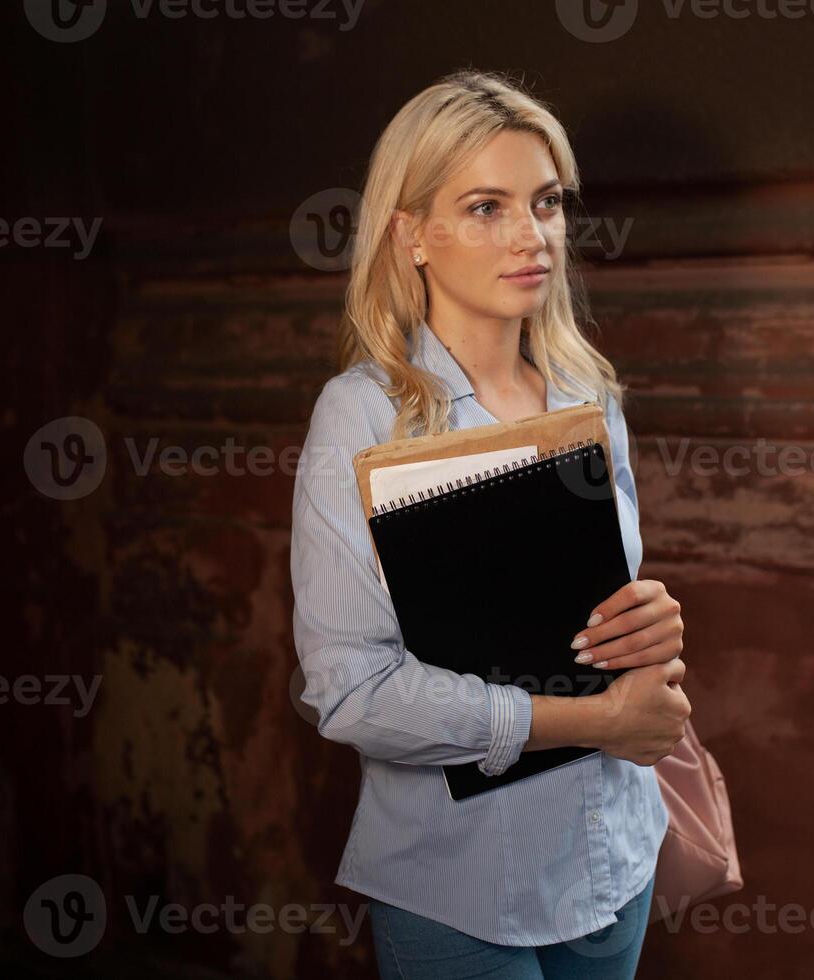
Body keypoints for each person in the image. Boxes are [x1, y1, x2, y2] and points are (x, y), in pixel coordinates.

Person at [290, 69, 690, 980]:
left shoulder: (589, 391)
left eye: (546, 202)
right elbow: (351, 689)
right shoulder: (361, 417)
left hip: (612, 852)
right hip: (460, 878)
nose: (531, 235)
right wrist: (594, 720)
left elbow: (598, 604)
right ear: (411, 235)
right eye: (484, 207)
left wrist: (655, 624)